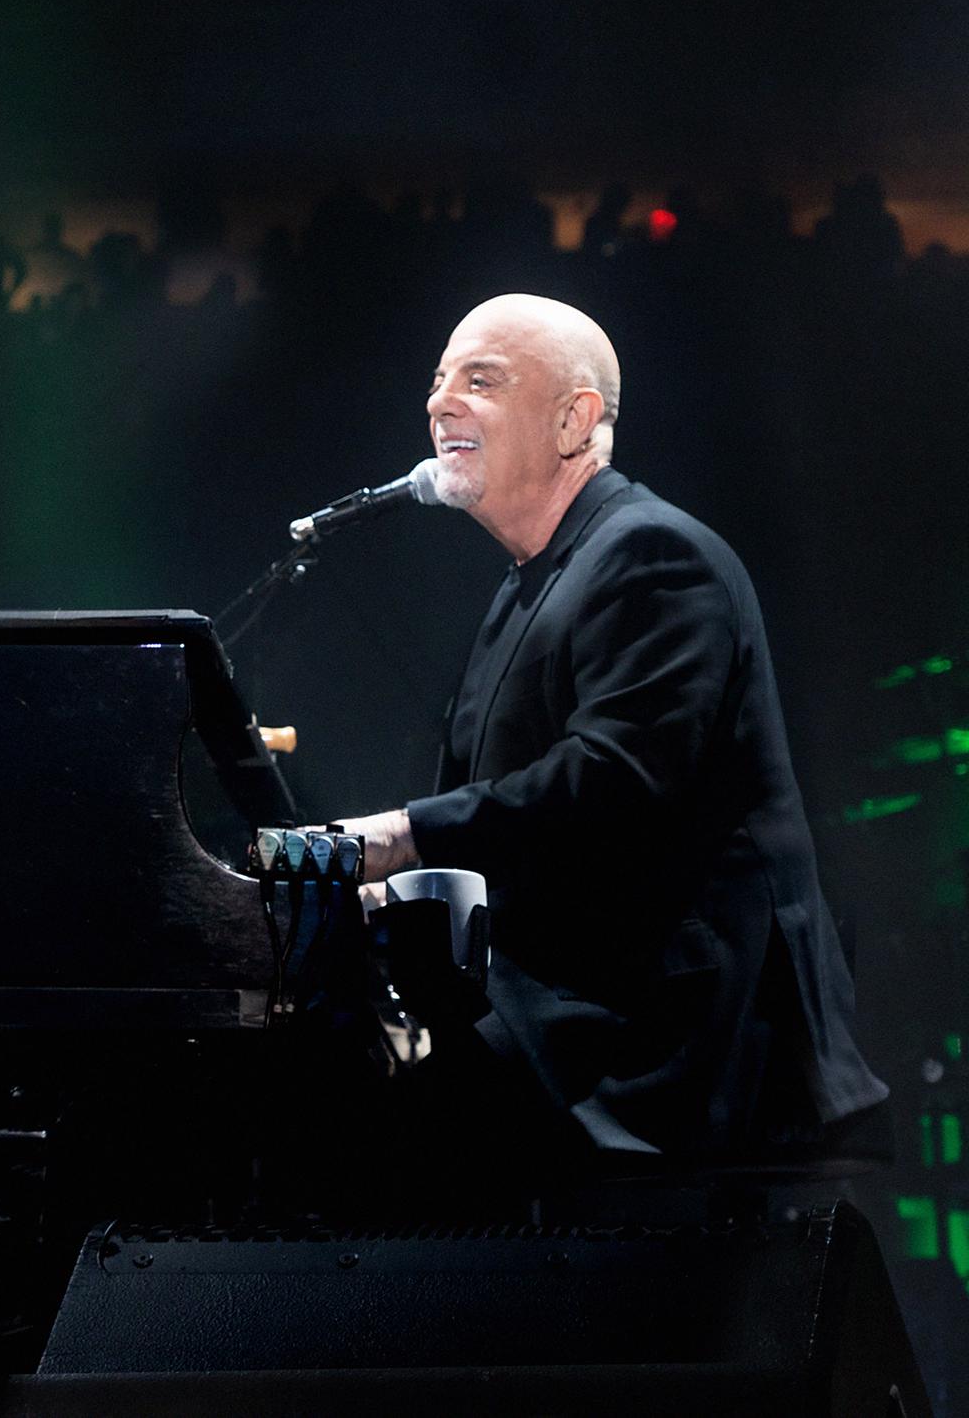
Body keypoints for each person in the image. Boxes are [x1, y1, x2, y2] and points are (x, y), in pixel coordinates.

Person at [340, 294, 885, 1171]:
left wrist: (401, 839)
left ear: (574, 419)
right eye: (438, 381)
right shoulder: (534, 577)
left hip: (661, 1050)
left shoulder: (655, 555)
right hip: (577, 1014)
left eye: (480, 380)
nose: (441, 402)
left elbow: (616, 782)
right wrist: (375, 898)